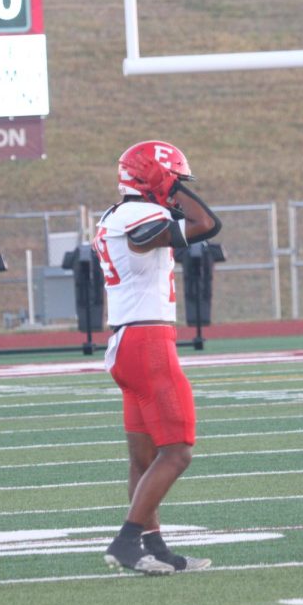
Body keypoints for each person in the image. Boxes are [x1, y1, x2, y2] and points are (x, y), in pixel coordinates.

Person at [93, 140, 222, 575]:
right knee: (178, 451)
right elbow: (206, 222)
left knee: (143, 458)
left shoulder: (116, 214)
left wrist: (165, 188)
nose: (179, 188)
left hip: (127, 340)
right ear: (153, 178)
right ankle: (128, 540)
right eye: (174, 179)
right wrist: (167, 189)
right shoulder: (140, 215)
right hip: (146, 343)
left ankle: (154, 544)